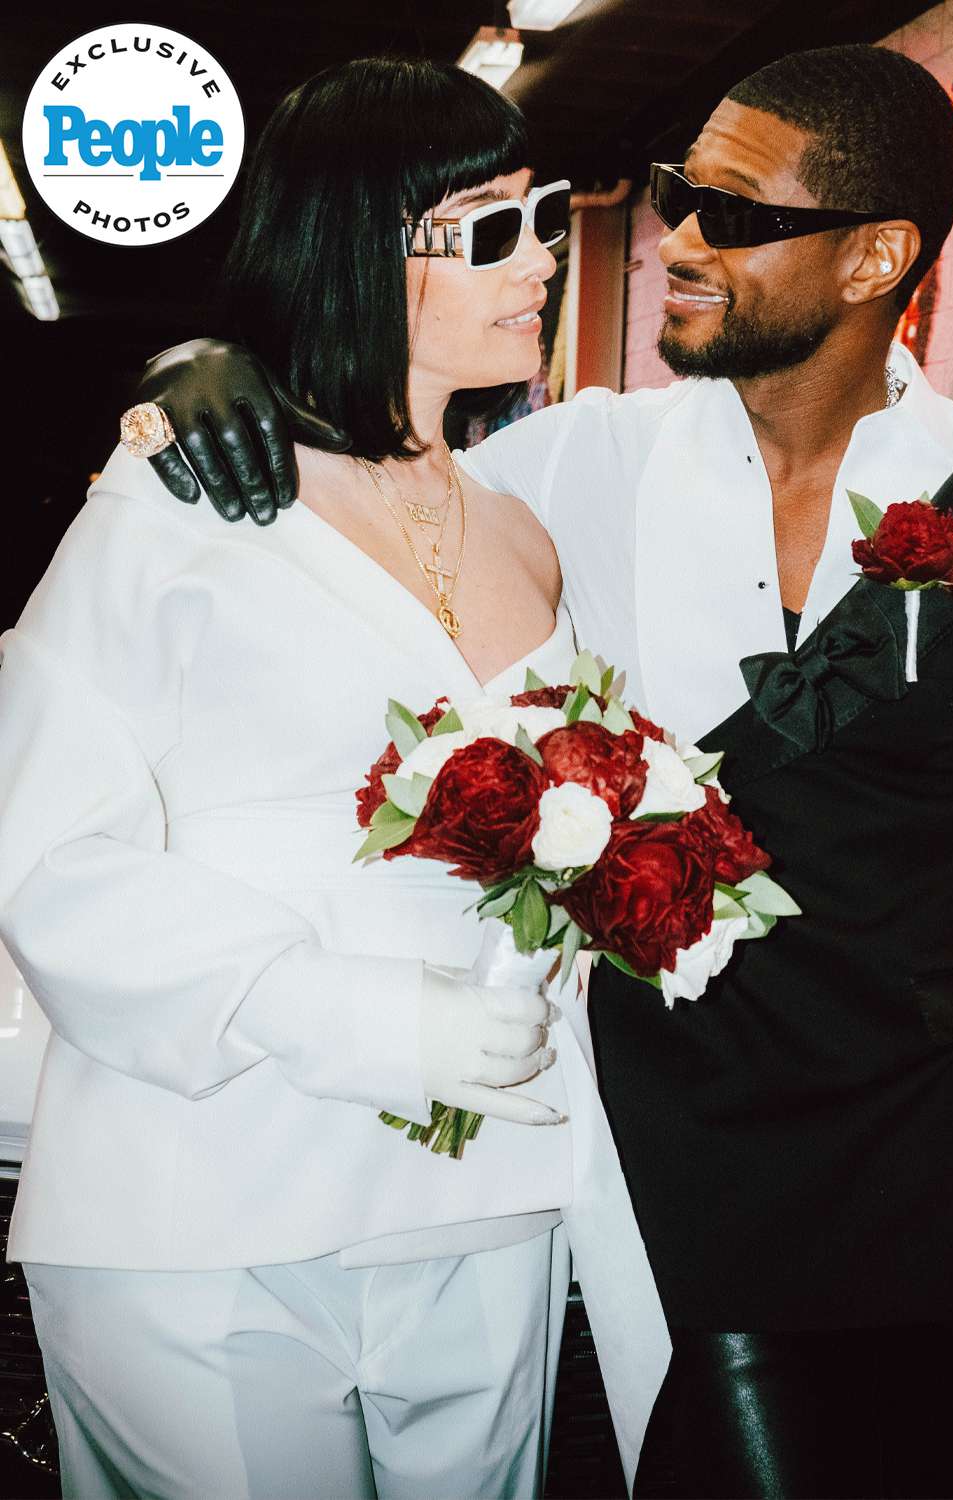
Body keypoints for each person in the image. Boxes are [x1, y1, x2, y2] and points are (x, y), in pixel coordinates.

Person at [114, 43, 953, 1500]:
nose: (677, 240)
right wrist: (193, 376)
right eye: (678, 195)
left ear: (874, 260)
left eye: (735, 213)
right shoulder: (572, 468)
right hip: (682, 1164)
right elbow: (351, 487)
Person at [0, 56, 669, 1500]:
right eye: (493, 228)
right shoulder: (183, 500)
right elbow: (43, 850)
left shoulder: (523, 530)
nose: (542, 260)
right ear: (362, 244)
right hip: (207, 1192)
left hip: (486, 1187)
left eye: (545, 213)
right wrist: (349, 1013)